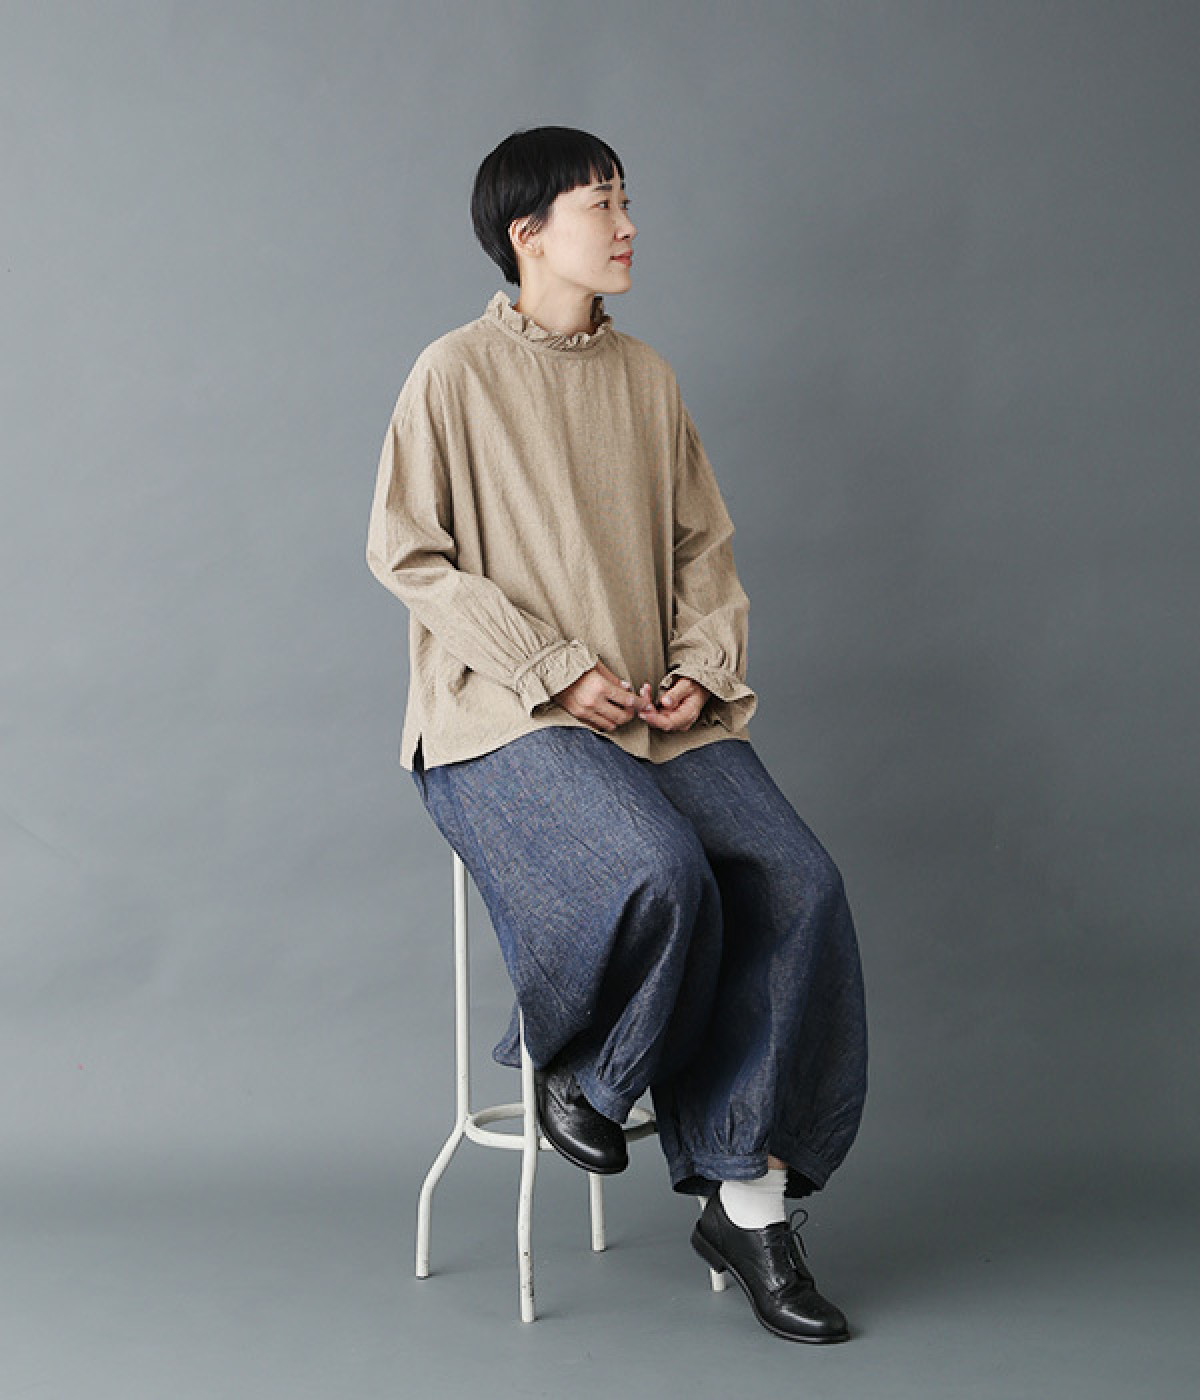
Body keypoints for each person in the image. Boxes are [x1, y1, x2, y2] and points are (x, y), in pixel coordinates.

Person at [366, 125, 868, 1344]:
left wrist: (699, 666)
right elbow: (407, 551)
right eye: (603, 203)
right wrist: (550, 666)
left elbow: (704, 548)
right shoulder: (453, 372)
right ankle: (591, 1071)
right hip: (502, 717)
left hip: (651, 712)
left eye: (627, 199)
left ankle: (749, 1206)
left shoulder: (648, 377)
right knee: (659, 867)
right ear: (529, 233)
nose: (629, 223)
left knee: (800, 881)